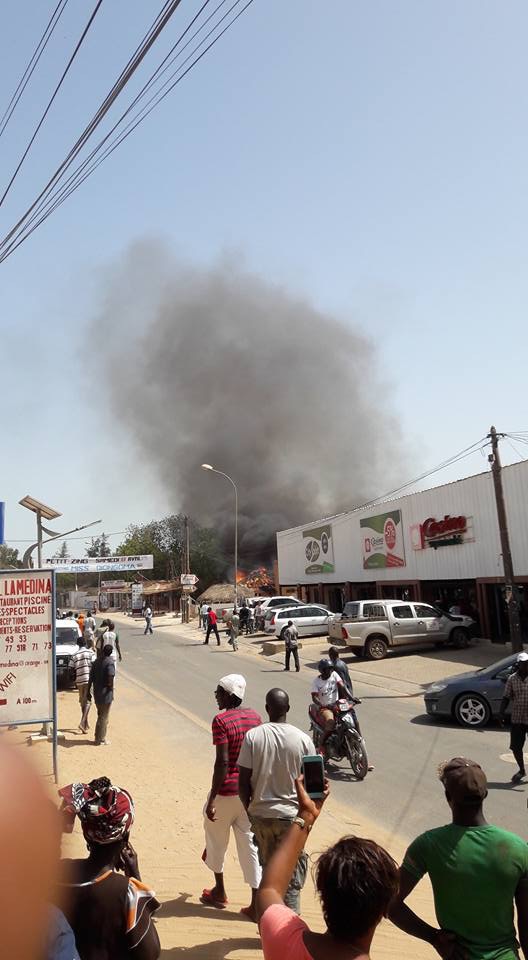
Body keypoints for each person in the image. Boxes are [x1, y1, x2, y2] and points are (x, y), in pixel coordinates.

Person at [389, 757, 528, 960]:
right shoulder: (518, 848)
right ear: (485, 794)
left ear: (448, 796)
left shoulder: (427, 845)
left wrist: (433, 937)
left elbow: (390, 903)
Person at [257, 776, 399, 960]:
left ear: (323, 895)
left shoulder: (283, 937)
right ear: (385, 909)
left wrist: (306, 814)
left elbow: (270, 889)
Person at [58, 776, 160, 960]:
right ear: (125, 835)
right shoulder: (128, 892)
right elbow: (150, 953)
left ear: (87, 834)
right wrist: (135, 877)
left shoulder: (56, 873)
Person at [239, 688, 315, 914]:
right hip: (292, 819)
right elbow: (313, 785)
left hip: (261, 817)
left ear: (267, 709)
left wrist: (250, 810)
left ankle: (267, 927)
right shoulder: (303, 740)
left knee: (267, 873)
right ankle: (288, 932)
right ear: (288, 709)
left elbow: (242, 782)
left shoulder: (253, 736)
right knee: (290, 877)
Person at [201, 674, 262, 919]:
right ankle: (256, 901)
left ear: (228, 694)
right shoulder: (255, 717)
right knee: (249, 844)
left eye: (218, 692)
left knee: (216, 840)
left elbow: (223, 762)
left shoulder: (221, 720)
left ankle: (220, 891)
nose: (216, 696)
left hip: (226, 791)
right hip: (249, 794)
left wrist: (212, 798)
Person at [311, 659, 349, 757]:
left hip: (337, 704)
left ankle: (358, 742)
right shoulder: (316, 682)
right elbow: (314, 697)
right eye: (328, 669)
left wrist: (351, 698)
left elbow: (342, 686)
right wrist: (322, 705)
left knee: (350, 718)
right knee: (331, 722)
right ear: (322, 670)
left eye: (331, 668)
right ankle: (321, 745)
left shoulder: (334, 674)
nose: (330, 671)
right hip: (325, 708)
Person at [500, 651, 528, 782]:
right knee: (516, 747)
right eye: (522, 664)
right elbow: (506, 697)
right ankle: (522, 770)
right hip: (517, 718)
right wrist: (501, 713)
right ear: (518, 665)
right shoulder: (512, 679)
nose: (525, 666)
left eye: (527, 663)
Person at [88, 644, 115, 746]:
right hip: (106, 694)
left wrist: (88, 692)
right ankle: (101, 739)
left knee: (100, 715)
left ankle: (97, 736)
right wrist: (111, 689)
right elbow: (110, 677)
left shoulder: (96, 662)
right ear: (111, 652)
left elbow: (91, 678)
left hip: (97, 693)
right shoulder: (110, 663)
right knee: (104, 717)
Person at [72, 636, 96, 734]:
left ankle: (85, 724)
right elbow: (94, 665)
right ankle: (82, 722)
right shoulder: (91, 653)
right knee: (88, 702)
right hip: (89, 680)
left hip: (79, 681)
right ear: (85, 644)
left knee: (83, 702)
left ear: (78, 644)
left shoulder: (74, 655)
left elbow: (71, 668)